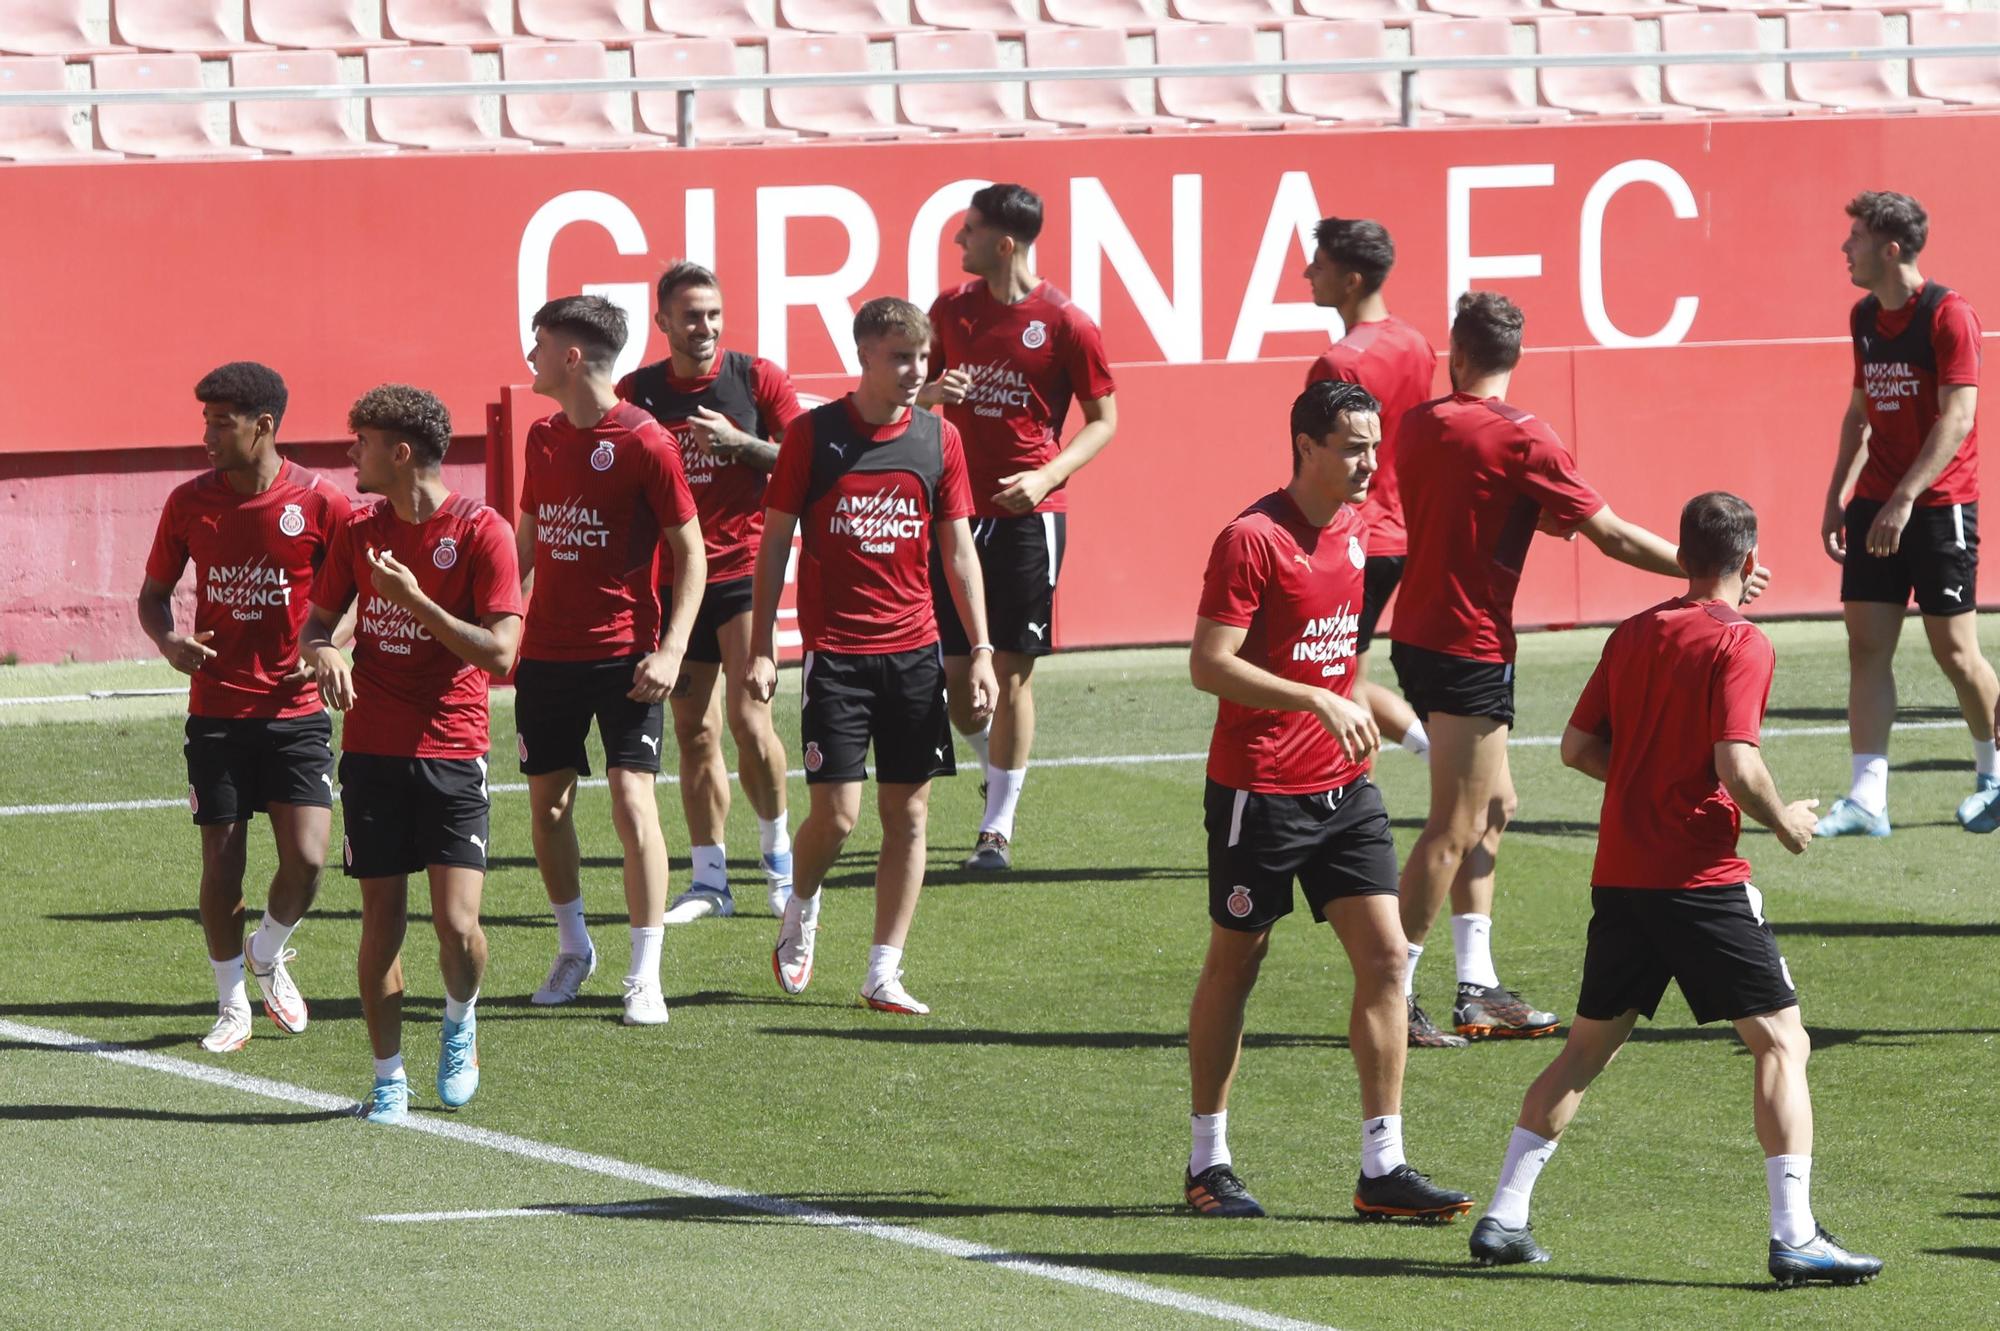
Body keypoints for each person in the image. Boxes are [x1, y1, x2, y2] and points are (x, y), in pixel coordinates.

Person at [1469, 491, 1883, 1289]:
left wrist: (1642, 782)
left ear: (1683, 556)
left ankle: (1504, 1216)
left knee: (1585, 1051)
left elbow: (1578, 746)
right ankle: (1795, 1233)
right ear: (1751, 563)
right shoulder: (1742, 642)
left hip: (1622, 877)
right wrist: (1784, 820)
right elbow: (1738, 762)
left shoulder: (1633, 633)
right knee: (1781, 1042)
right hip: (1698, 880)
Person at [1393, 292, 1766, 1049]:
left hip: (1422, 636)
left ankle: (1475, 984)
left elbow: (1508, 507)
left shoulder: (1418, 424)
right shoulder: (1523, 437)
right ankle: (1390, 990)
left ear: (1456, 354)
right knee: (1456, 824)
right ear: (1515, 357)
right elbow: (1611, 536)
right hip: (1468, 643)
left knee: (1495, 804)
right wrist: (1709, 573)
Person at [1184, 379, 1474, 1224]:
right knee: (1237, 963)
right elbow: (1210, 663)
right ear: (1306, 445)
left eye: (1374, 446)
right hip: (1258, 792)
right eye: (1352, 446)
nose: (1369, 462)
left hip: (1345, 792)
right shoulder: (1251, 537)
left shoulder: (1357, 532)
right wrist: (1314, 702)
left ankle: (1382, 1166)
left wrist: (1393, 725)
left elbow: (1339, 665)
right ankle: (1208, 1160)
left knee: (1387, 958)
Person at [749, 296, 998, 1016]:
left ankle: (882, 971)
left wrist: (978, 650)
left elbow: (957, 551)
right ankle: (802, 901)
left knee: (910, 815)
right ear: (864, 357)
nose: (915, 370)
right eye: (900, 356)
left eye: (921, 356)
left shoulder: (938, 441)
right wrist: (763, 646)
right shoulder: (812, 436)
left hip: (916, 652)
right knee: (839, 816)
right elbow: (773, 546)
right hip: (839, 656)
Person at [303, 384, 523, 1126]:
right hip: (372, 754)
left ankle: (460, 1018)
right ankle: (388, 1076)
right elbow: (317, 625)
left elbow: (500, 654)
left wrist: (419, 600)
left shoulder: (484, 531)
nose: (350, 455)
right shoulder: (358, 533)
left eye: (359, 441)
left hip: (453, 752)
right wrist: (327, 652)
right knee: (381, 924)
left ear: (400, 453)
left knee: (458, 928)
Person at [138, 362, 349, 1054]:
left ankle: (268, 948)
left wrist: (330, 647)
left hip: (295, 713)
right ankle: (232, 1002)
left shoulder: (322, 503)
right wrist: (170, 641)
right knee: (222, 861)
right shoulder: (188, 502)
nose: (206, 434)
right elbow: (154, 594)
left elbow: (361, 594)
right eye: (205, 419)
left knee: (310, 860)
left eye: (219, 421)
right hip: (219, 710)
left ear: (263, 426)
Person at [515, 295, 705, 1025]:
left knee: (633, 801)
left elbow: (691, 554)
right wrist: (490, 622)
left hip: (628, 655)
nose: (529, 357)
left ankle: (644, 972)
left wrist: (671, 649)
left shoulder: (646, 442)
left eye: (540, 345)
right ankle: (574, 948)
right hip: (547, 656)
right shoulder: (541, 437)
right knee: (549, 806)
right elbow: (527, 543)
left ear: (571, 356)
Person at [921, 183, 1117, 872]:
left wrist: (1045, 478)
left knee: (1010, 675)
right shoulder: (949, 310)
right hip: (954, 513)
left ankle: (996, 829)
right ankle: (994, 766)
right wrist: (930, 394)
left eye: (968, 230)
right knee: (957, 692)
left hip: (1031, 517)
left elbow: (1104, 421)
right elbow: (905, 391)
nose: (958, 242)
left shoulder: (1067, 322)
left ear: (1003, 243)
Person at [618, 262, 805, 922]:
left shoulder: (757, 379)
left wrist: (740, 443)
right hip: (673, 585)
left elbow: (804, 458)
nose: (705, 326)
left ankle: (779, 863)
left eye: (714, 314)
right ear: (663, 319)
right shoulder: (637, 391)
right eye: (692, 315)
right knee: (695, 734)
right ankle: (710, 880)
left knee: (751, 721)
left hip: (743, 572)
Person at [1816, 191, 1999, 837]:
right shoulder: (1864, 314)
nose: (1846, 248)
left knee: (1955, 653)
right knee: (1866, 646)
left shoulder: (1950, 315)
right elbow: (1860, 412)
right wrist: (1839, 495)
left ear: (1890, 248)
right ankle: (1868, 798)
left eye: (1857, 237)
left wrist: (1903, 498)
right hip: (1875, 502)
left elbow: (1959, 418)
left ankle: (1993, 773)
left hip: (1940, 504)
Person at [1302, 217, 1437, 764]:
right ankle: (1435, 753)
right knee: (1346, 672)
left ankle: (1357, 816)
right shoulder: (1417, 345)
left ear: (1351, 279)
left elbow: (1320, 467)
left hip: (1357, 537)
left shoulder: (1339, 365)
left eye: (1321, 265)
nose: (1308, 272)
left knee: (1339, 683)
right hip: (1403, 535)